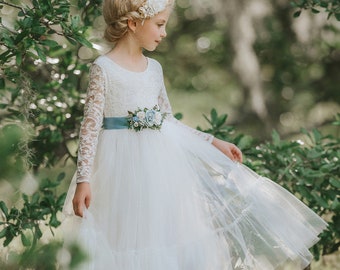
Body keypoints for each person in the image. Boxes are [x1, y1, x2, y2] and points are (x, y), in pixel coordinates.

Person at [62, 0, 327, 269]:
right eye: (160, 25)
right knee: (121, 233)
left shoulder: (154, 69)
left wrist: (212, 141)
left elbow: (168, 121)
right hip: (116, 168)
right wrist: (84, 178)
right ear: (132, 23)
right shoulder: (104, 68)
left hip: (156, 168)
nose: (164, 33)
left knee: (159, 232)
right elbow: (91, 126)